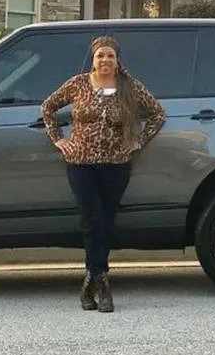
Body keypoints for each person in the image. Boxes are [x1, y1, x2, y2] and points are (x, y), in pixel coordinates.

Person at [41, 36, 166, 313]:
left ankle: (90, 281)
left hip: (117, 163)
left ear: (117, 59)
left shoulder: (129, 86)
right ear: (93, 59)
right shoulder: (78, 84)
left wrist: (138, 141)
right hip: (81, 162)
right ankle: (103, 283)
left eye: (110, 56)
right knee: (90, 220)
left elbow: (157, 114)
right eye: (100, 56)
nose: (105, 61)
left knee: (107, 221)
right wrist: (59, 139)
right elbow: (48, 108)